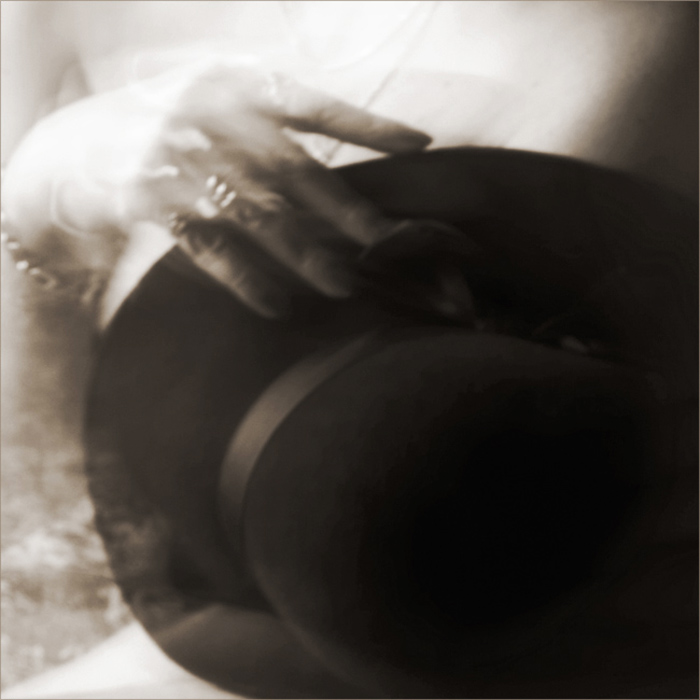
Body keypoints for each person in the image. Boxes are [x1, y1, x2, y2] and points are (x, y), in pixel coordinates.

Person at [2, 2, 697, 697]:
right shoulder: (58, 17)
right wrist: (38, 206)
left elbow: (463, 544)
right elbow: (34, 533)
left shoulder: (623, 45)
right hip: (217, 653)